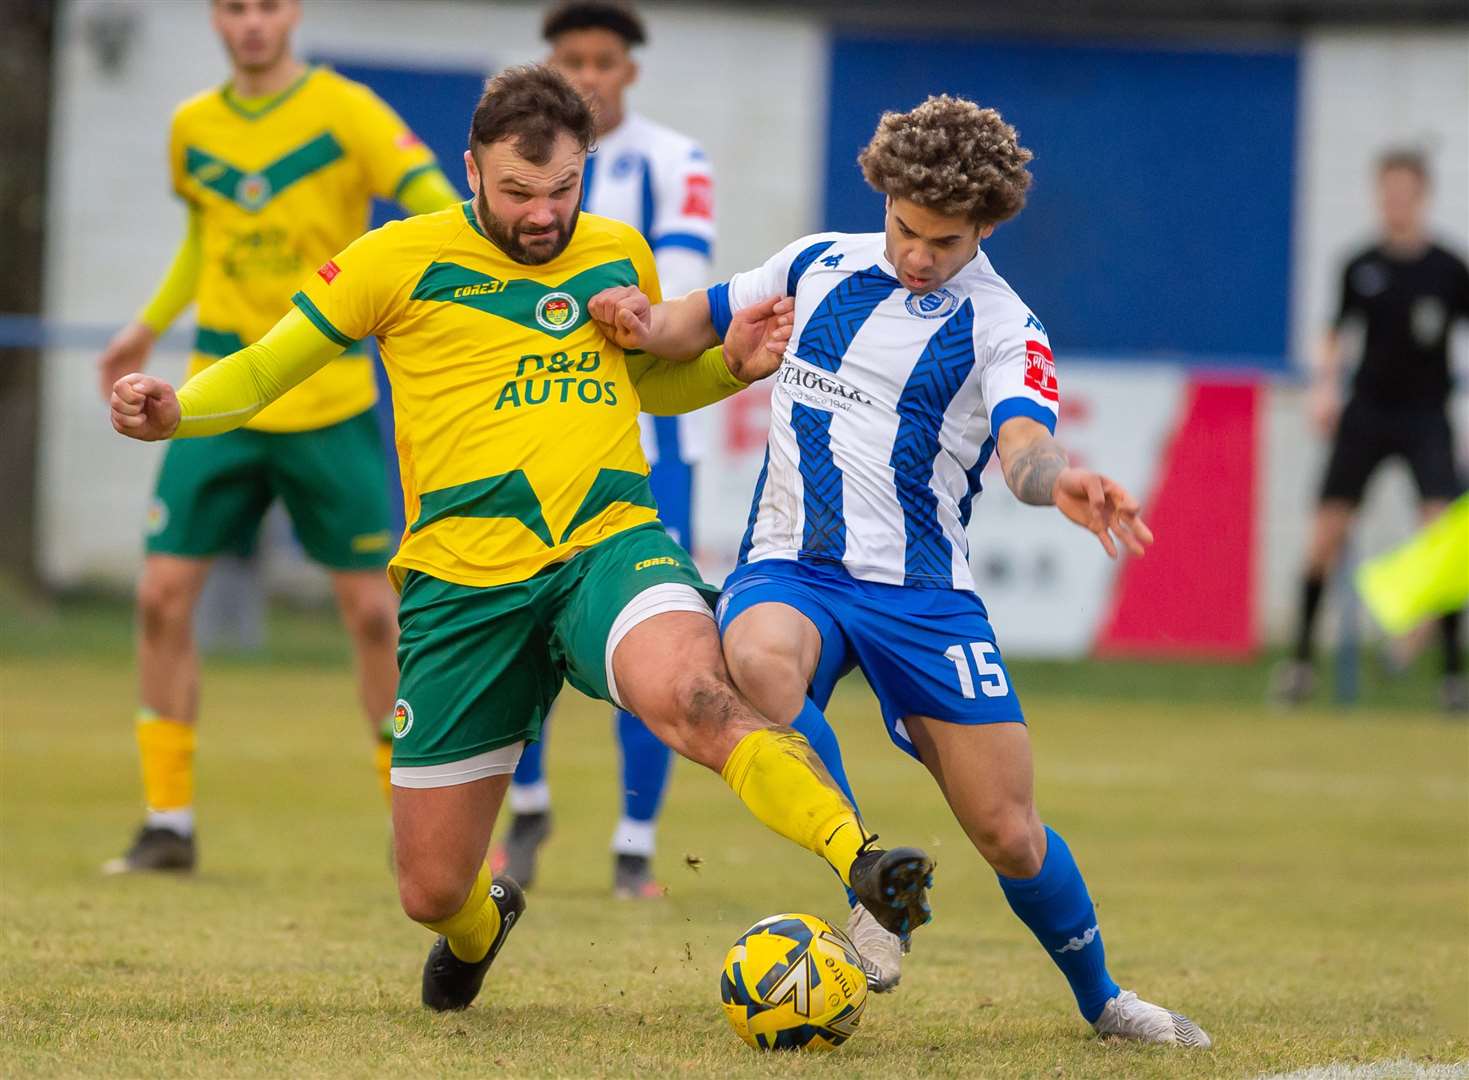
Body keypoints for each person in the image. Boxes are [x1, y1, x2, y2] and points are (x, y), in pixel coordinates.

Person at [107, 64, 934, 1011]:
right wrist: (177, 409)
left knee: (701, 696)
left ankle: (865, 868)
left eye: (564, 189)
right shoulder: (391, 259)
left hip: (607, 548)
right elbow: (260, 370)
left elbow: (645, 384)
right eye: (517, 193)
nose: (545, 215)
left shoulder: (616, 251)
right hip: (462, 585)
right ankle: (483, 920)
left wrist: (727, 367)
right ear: (470, 171)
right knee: (428, 889)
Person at [590, 94, 1212, 1047]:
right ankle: (871, 883)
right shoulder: (815, 263)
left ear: (988, 227)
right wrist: (630, 315)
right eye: (905, 228)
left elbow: (1023, 447)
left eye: (945, 240)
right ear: (881, 196)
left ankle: (1103, 1000)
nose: (919, 254)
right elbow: (685, 327)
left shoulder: (1005, 324)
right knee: (754, 656)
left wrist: (1061, 483)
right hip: (792, 568)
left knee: (1008, 830)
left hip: (923, 598)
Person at [95, 0, 463, 875]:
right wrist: (148, 326)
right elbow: (203, 237)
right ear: (217, 20)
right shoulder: (193, 126)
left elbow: (434, 201)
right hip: (214, 395)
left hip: (323, 392)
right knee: (159, 599)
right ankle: (167, 824)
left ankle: (408, 829)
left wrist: (451, 284)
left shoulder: (348, 112)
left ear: (291, 12)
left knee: (375, 614)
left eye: (267, 6)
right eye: (234, 8)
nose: (252, 23)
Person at [492, 0, 720, 900]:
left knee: (662, 632)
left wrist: (629, 315)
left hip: (653, 434)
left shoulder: (674, 162)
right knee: (514, 615)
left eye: (603, 61)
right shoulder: (514, 169)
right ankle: (530, 802)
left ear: (628, 71)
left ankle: (634, 845)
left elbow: (685, 285)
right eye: (572, 60)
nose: (587, 75)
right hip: (540, 427)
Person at [1274, 150, 1468, 713]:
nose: (1396, 202)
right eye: (1388, 192)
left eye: (1406, 192)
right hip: (1367, 414)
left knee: (1444, 540)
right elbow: (1332, 335)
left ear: (1422, 196)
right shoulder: (1359, 265)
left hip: (1428, 417)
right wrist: (1324, 387)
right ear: (1378, 196)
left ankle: (1453, 676)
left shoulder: (1449, 269)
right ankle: (1301, 665)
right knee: (1324, 538)